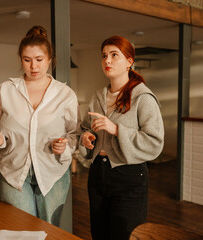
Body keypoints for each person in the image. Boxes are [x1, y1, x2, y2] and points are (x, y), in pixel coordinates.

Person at [0, 25, 78, 227]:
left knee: (49, 229)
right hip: (13, 172)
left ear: (50, 60)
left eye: (39, 60)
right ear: (20, 60)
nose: (34, 67)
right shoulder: (5, 90)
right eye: (27, 60)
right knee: (20, 230)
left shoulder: (65, 94)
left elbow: (74, 133)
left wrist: (65, 146)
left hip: (53, 173)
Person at [79, 36, 164, 240]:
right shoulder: (97, 97)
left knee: (124, 235)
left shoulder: (143, 98)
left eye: (114, 55)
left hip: (130, 176)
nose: (107, 61)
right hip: (98, 173)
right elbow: (84, 128)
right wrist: (86, 137)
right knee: (99, 234)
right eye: (104, 56)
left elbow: (155, 142)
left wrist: (117, 129)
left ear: (129, 61)